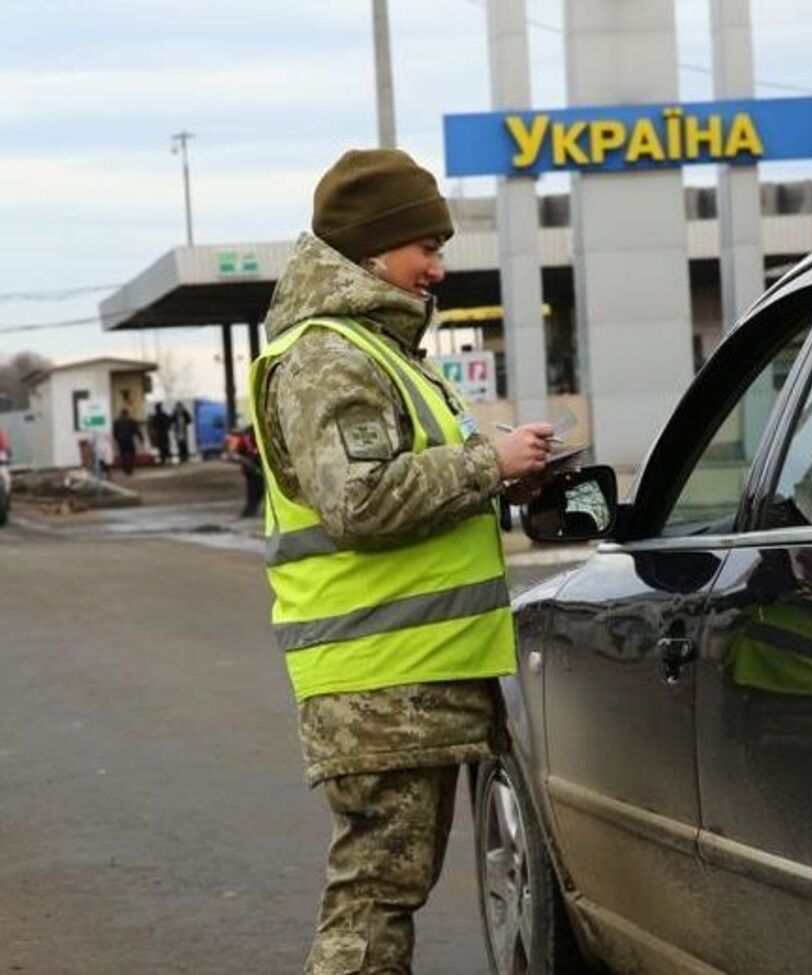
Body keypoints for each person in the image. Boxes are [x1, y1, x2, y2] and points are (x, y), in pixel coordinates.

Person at [248, 147, 552, 975]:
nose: (438, 267)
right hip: (381, 687)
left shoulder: (375, 349)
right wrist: (492, 464)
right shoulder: (327, 356)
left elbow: (398, 483)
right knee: (375, 899)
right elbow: (360, 502)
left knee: (384, 890)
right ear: (374, 248)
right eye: (426, 245)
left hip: (408, 680)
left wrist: (501, 477)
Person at [111, 408, 143, 475]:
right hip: (129, 439)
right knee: (132, 453)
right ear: (127, 413)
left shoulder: (116, 421)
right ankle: (130, 467)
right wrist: (141, 439)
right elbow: (137, 430)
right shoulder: (131, 420)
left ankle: (125, 468)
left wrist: (116, 438)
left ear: (121, 413)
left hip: (121, 440)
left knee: (123, 454)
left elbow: (114, 432)